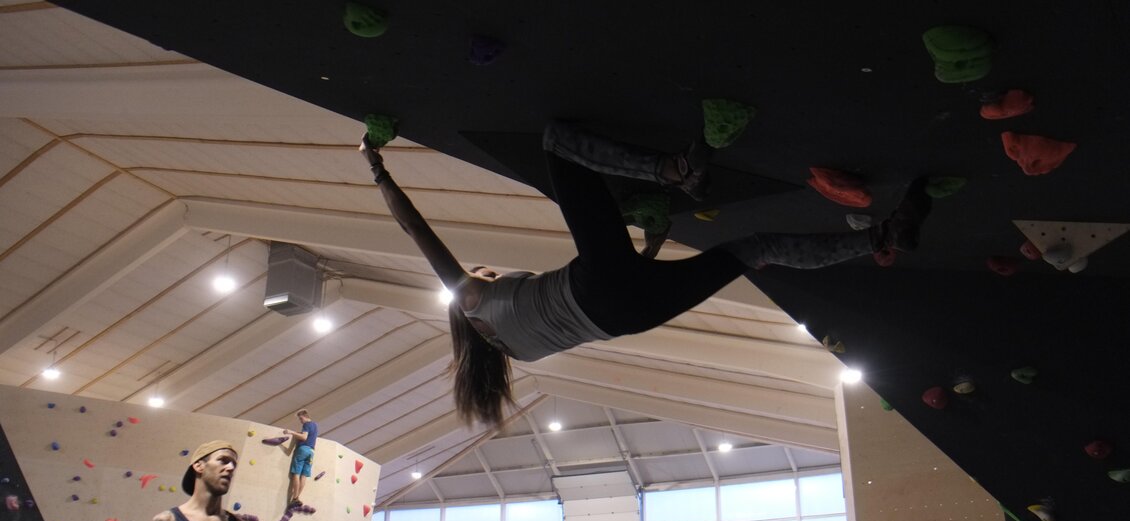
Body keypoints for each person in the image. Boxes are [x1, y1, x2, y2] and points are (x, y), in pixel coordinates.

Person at [359, 123, 932, 427]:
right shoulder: (469, 298)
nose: (484, 273)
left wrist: (650, 243)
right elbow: (415, 229)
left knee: (756, 249)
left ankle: (880, 237)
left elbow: (619, 291)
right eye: (483, 272)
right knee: (556, 143)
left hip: (630, 317)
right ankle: (674, 169)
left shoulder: (522, 353)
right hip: (600, 287)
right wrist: (377, 167)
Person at [285, 409, 318, 506]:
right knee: (304, 475)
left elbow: (304, 437)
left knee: (297, 473)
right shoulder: (315, 425)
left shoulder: (306, 425)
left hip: (303, 450)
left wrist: (291, 432)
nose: (300, 421)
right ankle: (296, 498)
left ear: (304, 416)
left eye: (300, 419)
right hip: (311, 452)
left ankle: (295, 498)